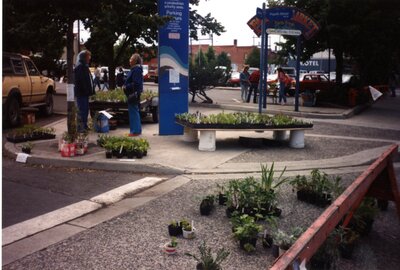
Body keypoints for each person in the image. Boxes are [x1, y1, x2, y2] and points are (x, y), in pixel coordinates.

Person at [74, 50, 95, 132]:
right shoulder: (80, 67)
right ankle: (80, 127)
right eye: (88, 57)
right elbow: (82, 81)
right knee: (82, 110)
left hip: (84, 93)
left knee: (85, 110)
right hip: (82, 93)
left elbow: (88, 80)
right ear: (84, 57)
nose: (89, 59)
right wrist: (87, 90)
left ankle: (84, 126)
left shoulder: (84, 66)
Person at [123, 53, 143, 136]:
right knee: (134, 111)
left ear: (135, 61)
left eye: (131, 59)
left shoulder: (136, 70)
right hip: (133, 94)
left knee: (133, 112)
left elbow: (136, 83)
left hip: (133, 94)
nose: (129, 60)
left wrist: (126, 87)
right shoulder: (135, 69)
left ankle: (135, 131)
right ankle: (137, 130)